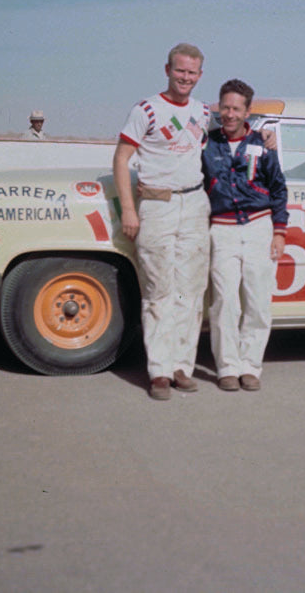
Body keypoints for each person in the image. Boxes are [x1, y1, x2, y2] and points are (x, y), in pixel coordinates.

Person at [113, 43, 211, 400]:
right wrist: (128, 208)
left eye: (192, 73)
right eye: (180, 70)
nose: (185, 78)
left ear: (200, 76)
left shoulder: (203, 112)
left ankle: (181, 366)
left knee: (191, 290)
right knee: (159, 290)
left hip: (194, 202)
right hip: (156, 204)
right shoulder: (147, 110)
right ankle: (158, 371)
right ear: (167, 69)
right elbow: (121, 158)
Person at [202, 79, 288, 392]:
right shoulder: (206, 143)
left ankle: (250, 366)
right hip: (222, 229)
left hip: (258, 228)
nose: (229, 114)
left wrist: (279, 232)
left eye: (237, 108)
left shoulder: (263, 144)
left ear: (248, 111)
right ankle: (227, 367)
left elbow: (278, 188)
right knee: (224, 301)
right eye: (225, 107)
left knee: (258, 301)